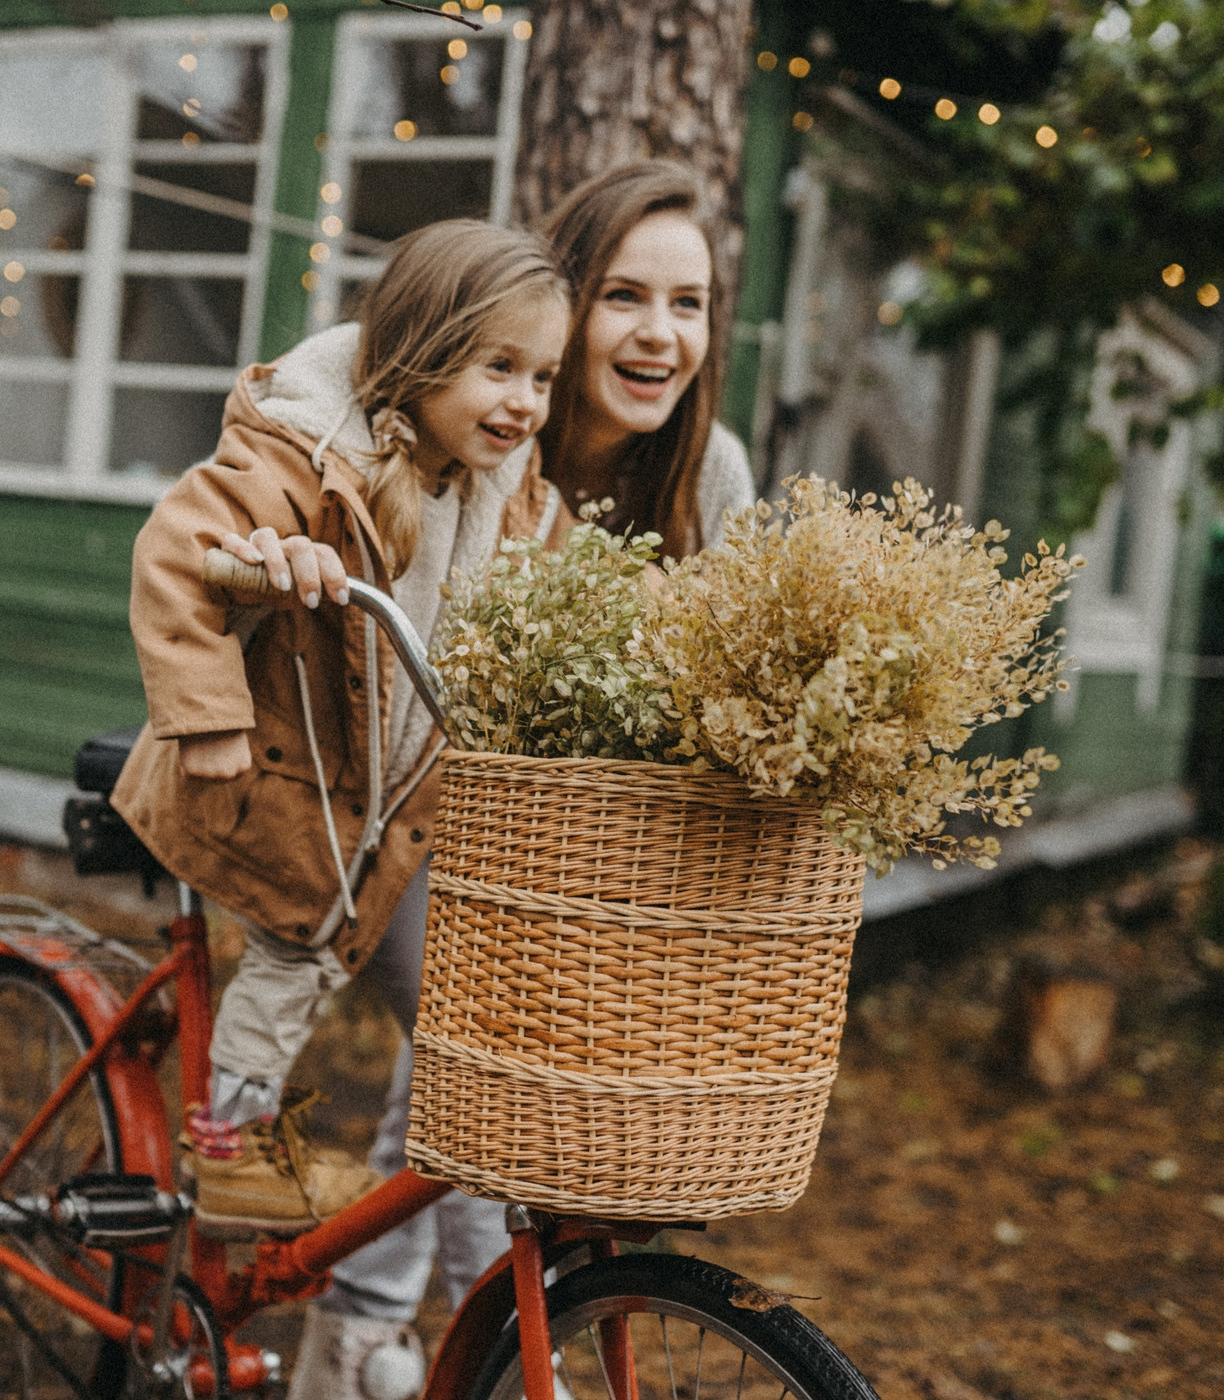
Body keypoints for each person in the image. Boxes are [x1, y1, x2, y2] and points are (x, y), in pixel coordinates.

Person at [287, 162, 758, 1400]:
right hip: (392, 801)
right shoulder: (477, 419)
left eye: (691, 304)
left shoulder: (711, 480)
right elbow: (326, 396)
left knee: (489, 1070)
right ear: (561, 303)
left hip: (571, 856)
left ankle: (401, 1341)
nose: (662, 335)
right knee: (476, 1046)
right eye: (625, 297)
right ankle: (378, 1349)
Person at [110, 219, 572, 1238]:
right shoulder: (309, 453)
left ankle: (455, 1203)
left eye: (542, 376)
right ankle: (226, 1154)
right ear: (423, 349)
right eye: (500, 366)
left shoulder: (508, 488)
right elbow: (181, 552)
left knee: (428, 983)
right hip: (277, 775)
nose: (525, 401)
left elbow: (560, 578)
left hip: (388, 803)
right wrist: (209, 707)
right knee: (293, 951)